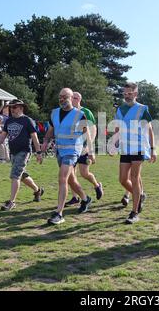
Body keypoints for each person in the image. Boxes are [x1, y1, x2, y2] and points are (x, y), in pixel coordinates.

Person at [42, 88, 94, 225]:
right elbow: (50, 131)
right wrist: (43, 146)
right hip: (60, 150)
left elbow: (86, 133)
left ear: (71, 98)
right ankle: (85, 198)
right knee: (70, 180)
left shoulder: (79, 114)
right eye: (60, 96)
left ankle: (59, 213)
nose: (62, 99)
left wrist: (91, 151)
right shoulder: (54, 113)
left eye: (65, 96)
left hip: (73, 150)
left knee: (62, 178)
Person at [112, 82, 157, 224]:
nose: (127, 96)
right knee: (123, 179)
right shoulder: (120, 110)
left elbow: (149, 129)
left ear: (136, 94)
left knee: (135, 177)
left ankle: (134, 212)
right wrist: (115, 142)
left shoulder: (142, 109)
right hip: (125, 148)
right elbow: (118, 128)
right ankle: (140, 195)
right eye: (124, 94)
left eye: (129, 93)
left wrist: (153, 149)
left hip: (138, 147)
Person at [0, 99, 44, 211]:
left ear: (21, 108)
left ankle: (12, 202)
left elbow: (34, 137)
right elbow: (3, 136)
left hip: (24, 151)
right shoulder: (9, 121)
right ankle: (37, 190)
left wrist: (38, 152)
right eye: (11, 107)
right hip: (13, 152)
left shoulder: (27, 121)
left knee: (15, 175)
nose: (12, 109)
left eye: (14, 107)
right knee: (21, 175)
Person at [65, 91, 104, 206]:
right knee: (71, 174)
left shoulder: (86, 112)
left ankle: (97, 186)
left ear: (80, 99)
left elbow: (93, 129)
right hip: (72, 147)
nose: (73, 100)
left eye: (76, 98)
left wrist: (89, 146)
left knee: (84, 173)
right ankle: (75, 197)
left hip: (84, 148)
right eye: (72, 98)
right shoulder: (68, 113)